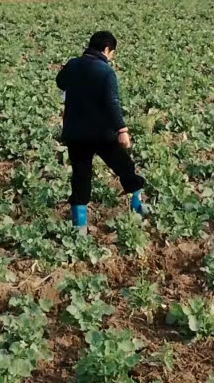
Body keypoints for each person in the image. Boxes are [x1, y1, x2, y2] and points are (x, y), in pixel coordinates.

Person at [55, 30, 147, 232]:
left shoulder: (73, 64)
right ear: (107, 50)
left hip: (76, 132)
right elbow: (112, 103)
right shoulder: (105, 72)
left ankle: (79, 227)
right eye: (112, 52)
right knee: (125, 167)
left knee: (81, 175)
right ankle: (138, 207)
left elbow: (60, 82)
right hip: (101, 133)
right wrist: (122, 130)